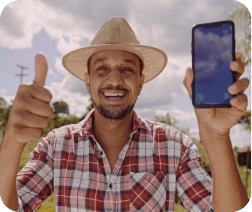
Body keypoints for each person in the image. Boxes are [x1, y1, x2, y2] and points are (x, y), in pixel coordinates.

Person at [0, 17, 250, 212]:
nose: (115, 80)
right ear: (87, 82)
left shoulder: (174, 147)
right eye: (102, 68)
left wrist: (217, 136)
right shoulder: (56, 146)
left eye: (127, 69)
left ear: (140, 83)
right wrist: (12, 140)